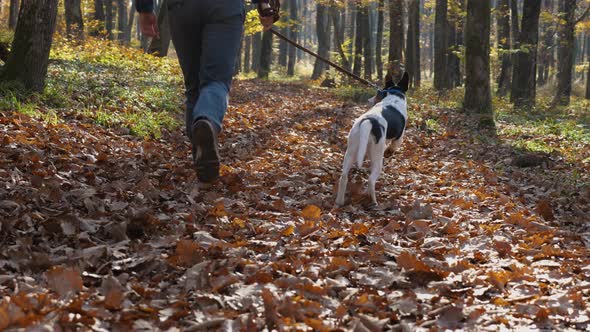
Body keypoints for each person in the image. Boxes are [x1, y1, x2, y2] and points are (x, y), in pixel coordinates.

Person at [136, 0, 279, 182]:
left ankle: (201, 157)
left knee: (193, 85)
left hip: (182, 8)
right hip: (225, 8)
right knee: (216, 80)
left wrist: (145, 8)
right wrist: (265, 5)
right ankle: (206, 120)